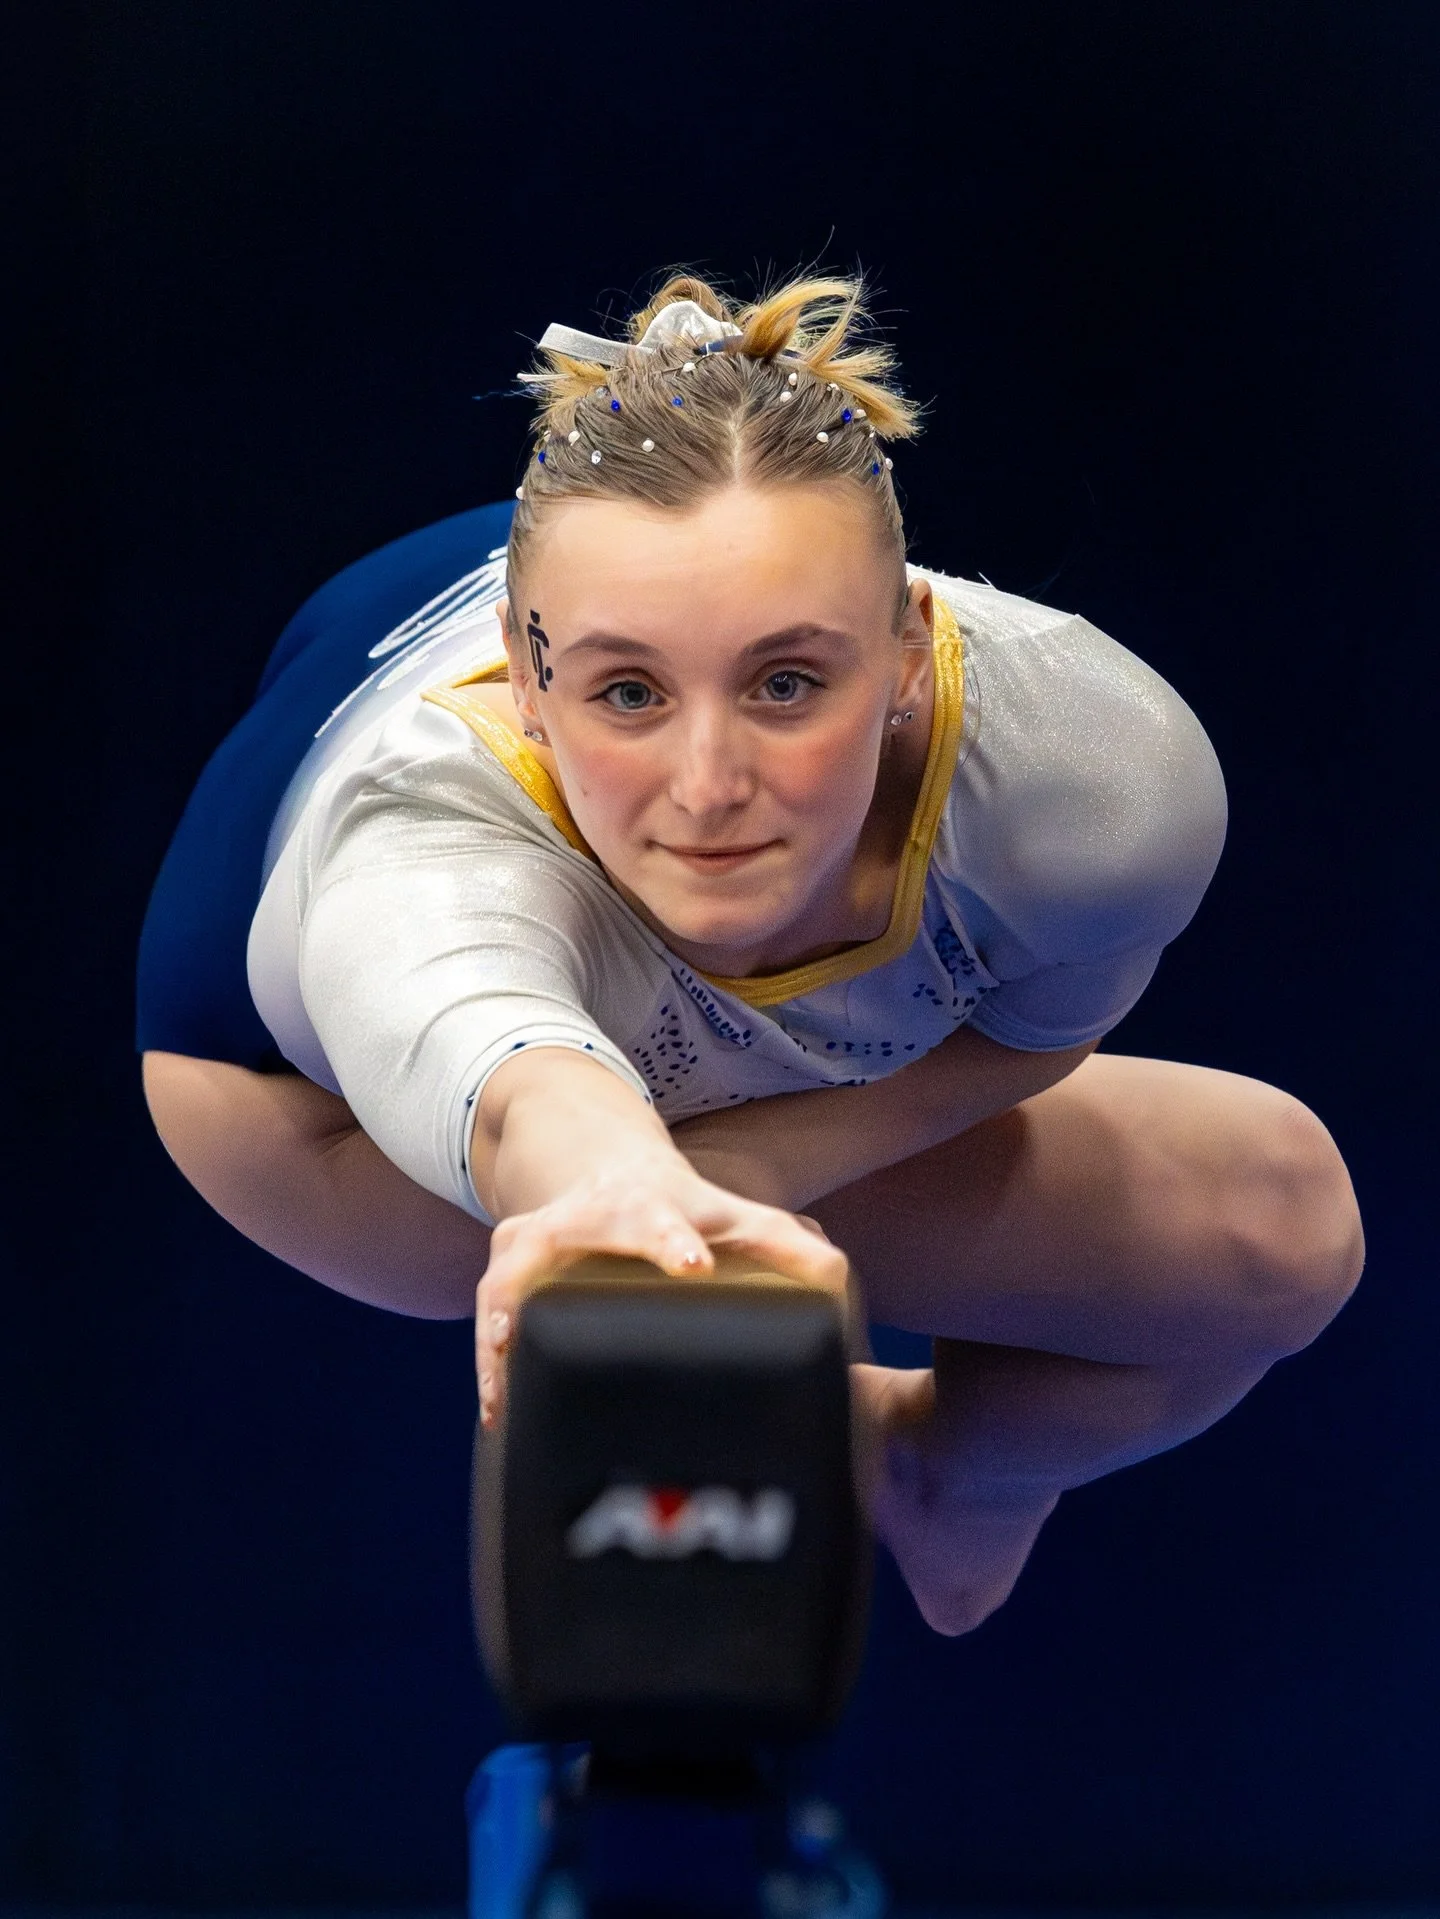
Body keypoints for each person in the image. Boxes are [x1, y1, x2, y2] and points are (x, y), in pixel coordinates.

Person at [139, 271, 1365, 1636]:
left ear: (908, 649)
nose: (709, 784)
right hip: (317, 1114)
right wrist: (614, 1185)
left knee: (1281, 1221)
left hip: (651, 713)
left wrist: (746, 1173)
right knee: (640, 1263)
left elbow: (1033, 1028)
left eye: (788, 684)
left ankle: (930, 1471)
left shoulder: (1093, 780)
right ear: (529, 683)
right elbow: (501, 1059)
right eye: (628, 695)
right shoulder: (421, 852)